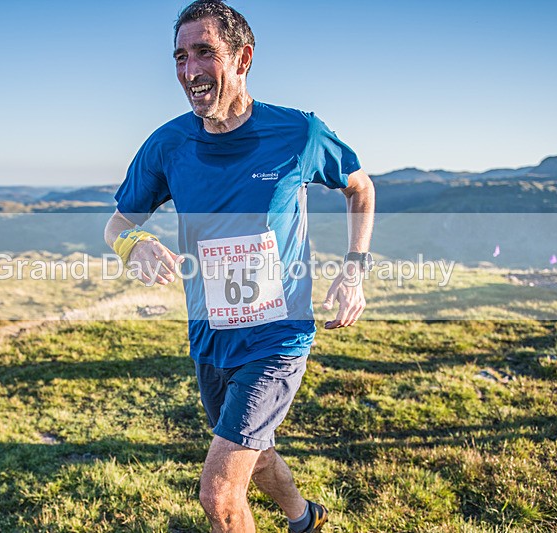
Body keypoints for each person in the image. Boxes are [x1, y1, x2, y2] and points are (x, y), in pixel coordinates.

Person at [104, 1, 375, 531]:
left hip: (278, 336)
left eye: (205, 52)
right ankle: (304, 518)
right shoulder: (168, 145)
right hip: (210, 337)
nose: (189, 70)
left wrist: (354, 269)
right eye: (180, 56)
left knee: (219, 495)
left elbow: (359, 187)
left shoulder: (297, 133)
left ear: (243, 57)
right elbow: (116, 224)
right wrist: (133, 244)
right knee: (256, 450)